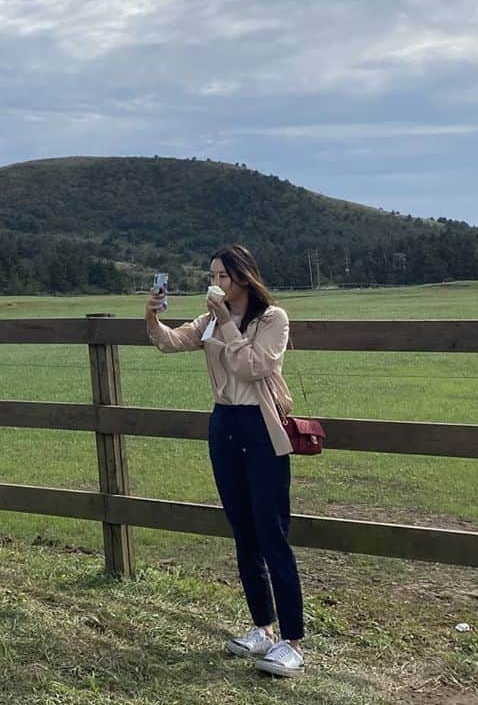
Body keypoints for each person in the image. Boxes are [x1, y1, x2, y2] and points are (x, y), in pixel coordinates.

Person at [144, 243, 306, 678]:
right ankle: (262, 627)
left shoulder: (273, 319)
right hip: (224, 424)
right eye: (211, 276)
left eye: (221, 276)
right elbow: (171, 342)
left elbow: (254, 366)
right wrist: (153, 315)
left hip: (261, 425)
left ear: (242, 277)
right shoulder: (210, 319)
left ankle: (292, 641)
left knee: (271, 531)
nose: (214, 283)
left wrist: (227, 325)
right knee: (243, 531)